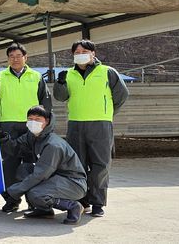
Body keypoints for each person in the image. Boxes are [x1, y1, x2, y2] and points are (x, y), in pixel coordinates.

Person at [53, 39, 129, 217]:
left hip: (101, 124)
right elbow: (60, 97)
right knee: (77, 164)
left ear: (93, 53)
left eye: (84, 51)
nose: (81, 55)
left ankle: (97, 203)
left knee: (100, 164)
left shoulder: (107, 72)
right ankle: (81, 200)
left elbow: (121, 95)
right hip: (76, 124)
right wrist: (60, 83)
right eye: (77, 52)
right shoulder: (68, 74)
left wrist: (107, 113)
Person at [0, 105, 88, 225]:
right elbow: (16, 148)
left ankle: (73, 206)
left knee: (35, 194)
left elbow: (40, 175)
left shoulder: (53, 145)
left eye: (38, 119)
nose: (33, 122)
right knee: (24, 169)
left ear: (47, 121)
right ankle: (44, 210)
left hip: (73, 182)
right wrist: (4, 139)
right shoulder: (32, 136)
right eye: (30, 119)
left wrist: (14, 191)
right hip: (56, 177)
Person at [0, 43, 53, 212]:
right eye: (11, 56)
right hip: (8, 125)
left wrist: (45, 125)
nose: (15, 59)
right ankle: (11, 199)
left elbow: (46, 103)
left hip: (32, 126)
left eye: (18, 56)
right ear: (7, 59)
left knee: (31, 164)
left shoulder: (36, 76)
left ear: (25, 58)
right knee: (9, 165)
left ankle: (33, 200)